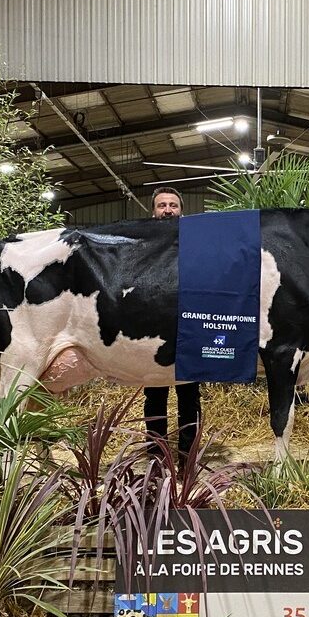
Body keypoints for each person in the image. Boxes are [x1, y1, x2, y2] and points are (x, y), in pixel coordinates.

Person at [144, 186, 202, 458]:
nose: (167, 210)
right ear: (153, 212)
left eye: (173, 205)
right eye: (162, 205)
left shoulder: (196, 244)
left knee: (189, 397)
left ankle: (187, 456)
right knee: (154, 396)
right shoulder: (141, 246)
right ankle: (156, 455)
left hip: (188, 330)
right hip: (152, 333)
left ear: (182, 210)